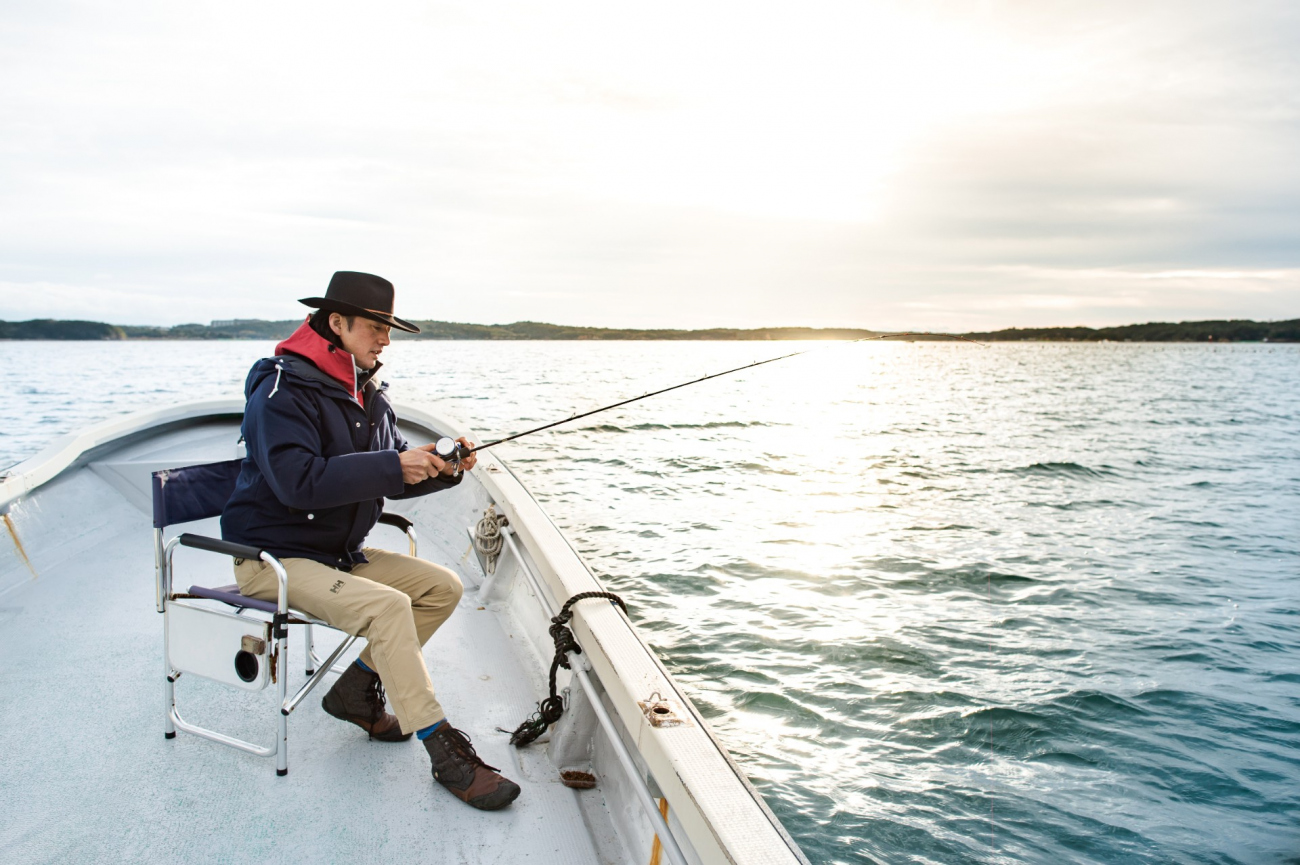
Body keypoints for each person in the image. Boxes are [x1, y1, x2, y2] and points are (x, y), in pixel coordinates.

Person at [220, 271, 520, 811]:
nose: (386, 339)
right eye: (377, 327)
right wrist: (390, 464)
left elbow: (393, 476)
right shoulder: (280, 390)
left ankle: (355, 689)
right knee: (387, 608)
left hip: (334, 555)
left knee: (441, 588)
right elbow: (297, 482)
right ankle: (446, 752)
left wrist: (442, 467)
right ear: (337, 323)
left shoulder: (366, 391)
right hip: (273, 559)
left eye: (390, 328)